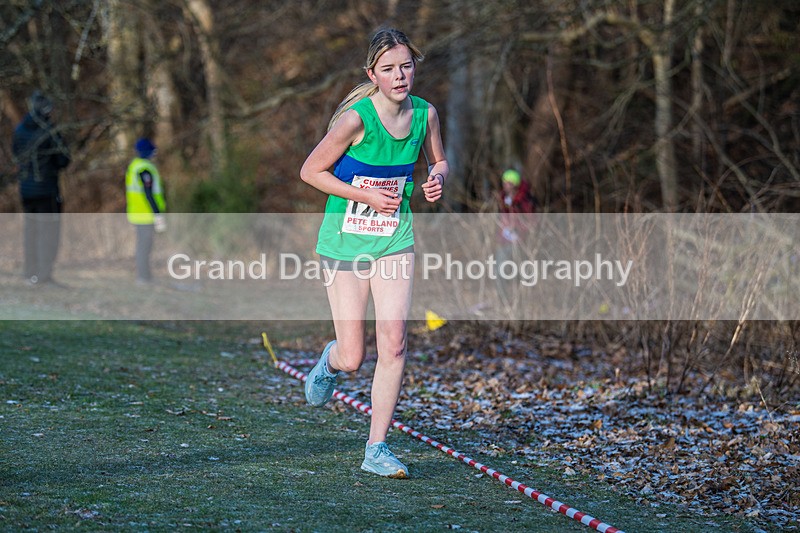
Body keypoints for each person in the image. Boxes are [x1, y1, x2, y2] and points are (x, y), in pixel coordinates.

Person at [299, 28, 448, 478]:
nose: (399, 76)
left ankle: (376, 448)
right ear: (372, 75)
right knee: (353, 357)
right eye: (388, 69)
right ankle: (330, 362)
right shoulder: (355, 120)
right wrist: (364, 196)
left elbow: (438, 160)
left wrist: (438, 178)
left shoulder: (425, 114)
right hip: (344, 243)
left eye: (406, 66)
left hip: (394, 240)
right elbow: (311, 171)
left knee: (395, 342)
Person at [12, 90, 71, 286]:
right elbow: (63, 160)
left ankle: (31, 273)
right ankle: (43, 275)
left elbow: (16, 155)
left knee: (31, 232)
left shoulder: (20, 130)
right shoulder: (49, 131)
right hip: (46, 190)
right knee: (48, 233)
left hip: (26, 191)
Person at [125, 137, 166, 283]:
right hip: (146, 214)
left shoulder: (134, 165)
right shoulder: (144, 169)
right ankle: (143, 277)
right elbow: (149, 193)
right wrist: (157, 214)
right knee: (145, 246)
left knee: (143, 245)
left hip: (137, 213)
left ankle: (145, 276)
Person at [496, 168, 536, 307]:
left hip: (520, 243)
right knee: (500, 271)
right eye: (504, 182)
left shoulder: (525, 200)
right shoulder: (502, 199)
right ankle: (504, 303)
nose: (505, 185)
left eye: (508, 183)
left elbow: (531, 222)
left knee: (520, 273)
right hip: (505, 242)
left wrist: (519, 228)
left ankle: (523, 303)